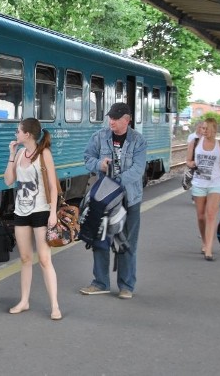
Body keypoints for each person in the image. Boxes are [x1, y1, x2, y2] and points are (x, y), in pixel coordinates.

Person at [80, 102, 147, 299]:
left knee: (126, 243)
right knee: (100, 239)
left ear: (127, 120)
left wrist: (117, 182)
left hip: (129, 198)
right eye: (110, 117)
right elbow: (87, 158)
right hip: (104, 198)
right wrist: (99, 164)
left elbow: (138, 169)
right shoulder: (99, 137)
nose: (111, 121)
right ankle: (100, 283)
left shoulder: (138, 141)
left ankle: (126, 286)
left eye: (116, 118)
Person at [3, 118, 62, 320]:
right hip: (21, 212)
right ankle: (24, 301)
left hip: (42, 211)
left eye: (18, 131)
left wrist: (53, 212)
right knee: (26, 259)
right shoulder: (19, 153)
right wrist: (11, 155)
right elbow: (9, 180)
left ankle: (55, 305)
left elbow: (53, 186)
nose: (16, 134)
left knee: (45, 259)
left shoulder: (44, 154)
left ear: (27, 134)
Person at [186, 118, 220, 261]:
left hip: (215, 184)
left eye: (206, 128)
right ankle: (204, 242)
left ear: (214, 129)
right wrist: (192, 163)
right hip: (199, 184)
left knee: (211, 215)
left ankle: (209, 248)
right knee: (201, 217)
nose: (203, 131)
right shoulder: (194, 143)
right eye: (202, 128)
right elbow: (188, 161)